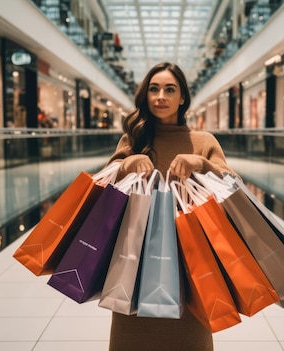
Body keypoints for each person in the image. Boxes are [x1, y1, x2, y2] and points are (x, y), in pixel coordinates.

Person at [107, 62, 236, 350]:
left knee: (188, 335)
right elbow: (108, 177)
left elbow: (232, 183)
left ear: (182, 98)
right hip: (137, 254)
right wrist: (128, 162)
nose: (160, 96)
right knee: (134, 335)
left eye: (169, 89)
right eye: (154, 89)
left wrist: (201, 163)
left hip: (188, 255)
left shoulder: (202, 142)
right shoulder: (135, 138)